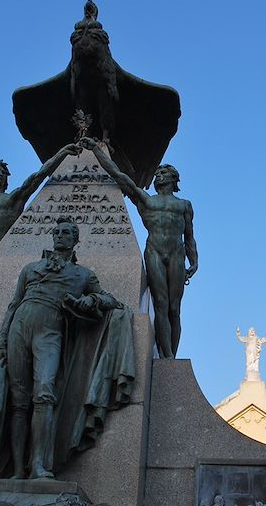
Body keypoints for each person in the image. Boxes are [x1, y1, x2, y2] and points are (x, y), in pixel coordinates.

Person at [0, 216, 136, 479]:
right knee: (18, 401)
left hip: (50, 331)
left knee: (44, 393)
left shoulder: (83, 274)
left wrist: (91, 299)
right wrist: (0, 344)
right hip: (20, 327)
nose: (61, 235)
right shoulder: (30, 269)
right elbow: (12, 306)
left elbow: (110, 299)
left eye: (67, 233)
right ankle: (18, 469)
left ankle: (40, 464)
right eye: (58, 232)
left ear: (76, 240)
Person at [82, 138, 198, 358]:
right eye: (157, 174)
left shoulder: (184, 205)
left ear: (174, 180)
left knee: (175, 308)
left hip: (177, 253)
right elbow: (119, 177)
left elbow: (189, 236)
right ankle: (167, 356)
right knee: (161, 305)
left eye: (164, 174)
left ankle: (172, 355)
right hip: (154, 250)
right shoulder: (147, 201)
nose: (159, 176)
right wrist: (97, 150)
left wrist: (195, 261)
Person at [0, 143, 81, 312]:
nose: (0, 174)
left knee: (2, 298)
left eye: (3, 172)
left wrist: (61, 154)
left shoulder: (13, 198)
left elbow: (37, 177)